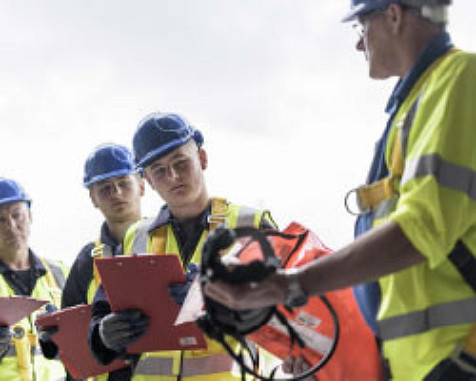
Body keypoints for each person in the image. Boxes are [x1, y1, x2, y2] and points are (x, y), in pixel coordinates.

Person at [204, 1, 476, 380]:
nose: (359, 45)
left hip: (458, 358)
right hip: (420, 362)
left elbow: (420, 229)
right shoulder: (415, 101)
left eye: (361, 28)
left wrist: (289, 285)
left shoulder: (460, 80)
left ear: (394, 15)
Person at [88, 111, 277, 380]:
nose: (174, 176)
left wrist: (215, 300)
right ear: (149, 181)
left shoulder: (250, 225)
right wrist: (103, 335)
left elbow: (286, 311)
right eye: (159, 170)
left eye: (181, 162)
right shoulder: (136, 237)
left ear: (202, 158)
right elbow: (102, 312)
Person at [39, 143, 145, 381]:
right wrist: (54, 340)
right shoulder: (86, 261)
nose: (116, 193)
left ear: (141, 185)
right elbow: (71, 345)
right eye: (105, 188)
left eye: (123, 183)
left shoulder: (167, 244)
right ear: (93, 198)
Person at [0, 178, 69, 380]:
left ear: (29, 216)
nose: (11, 226)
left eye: (17, 215)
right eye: (0, 220)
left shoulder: (60, 273)